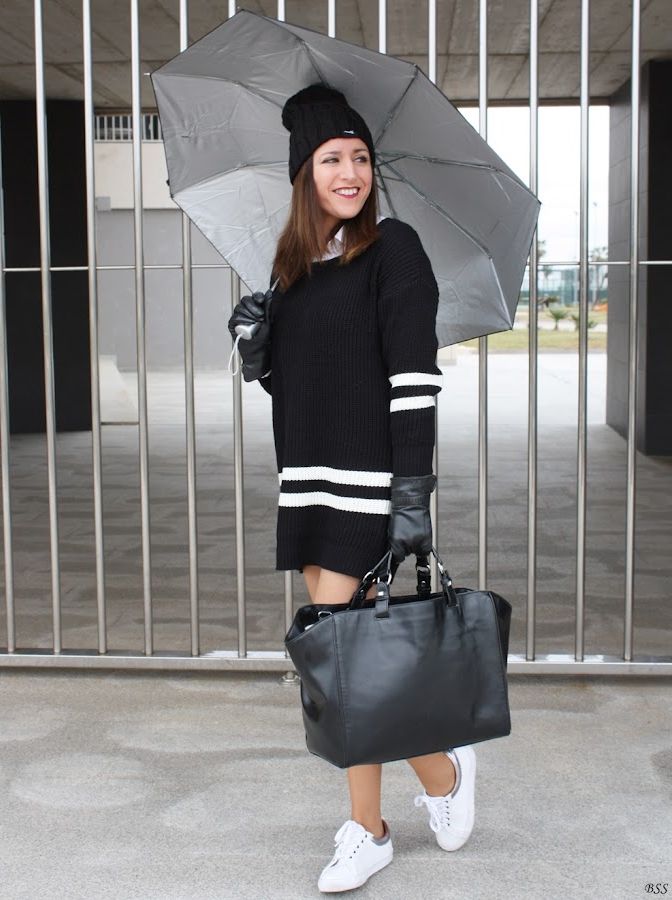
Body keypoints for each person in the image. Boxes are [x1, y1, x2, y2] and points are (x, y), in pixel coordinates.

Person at [228, 84, 476, 894]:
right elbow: (303, 388)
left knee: (338, 663)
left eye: (360, 157)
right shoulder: (292, 268)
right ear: (302, 172)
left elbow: (412, 382)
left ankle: (369, 830)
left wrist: (410, 496)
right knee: (349, 661)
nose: (349, 172)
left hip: (368, 484)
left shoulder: (393, 249)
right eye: (331, 158)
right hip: (307, 481)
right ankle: (440, 771)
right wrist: (258, 351)